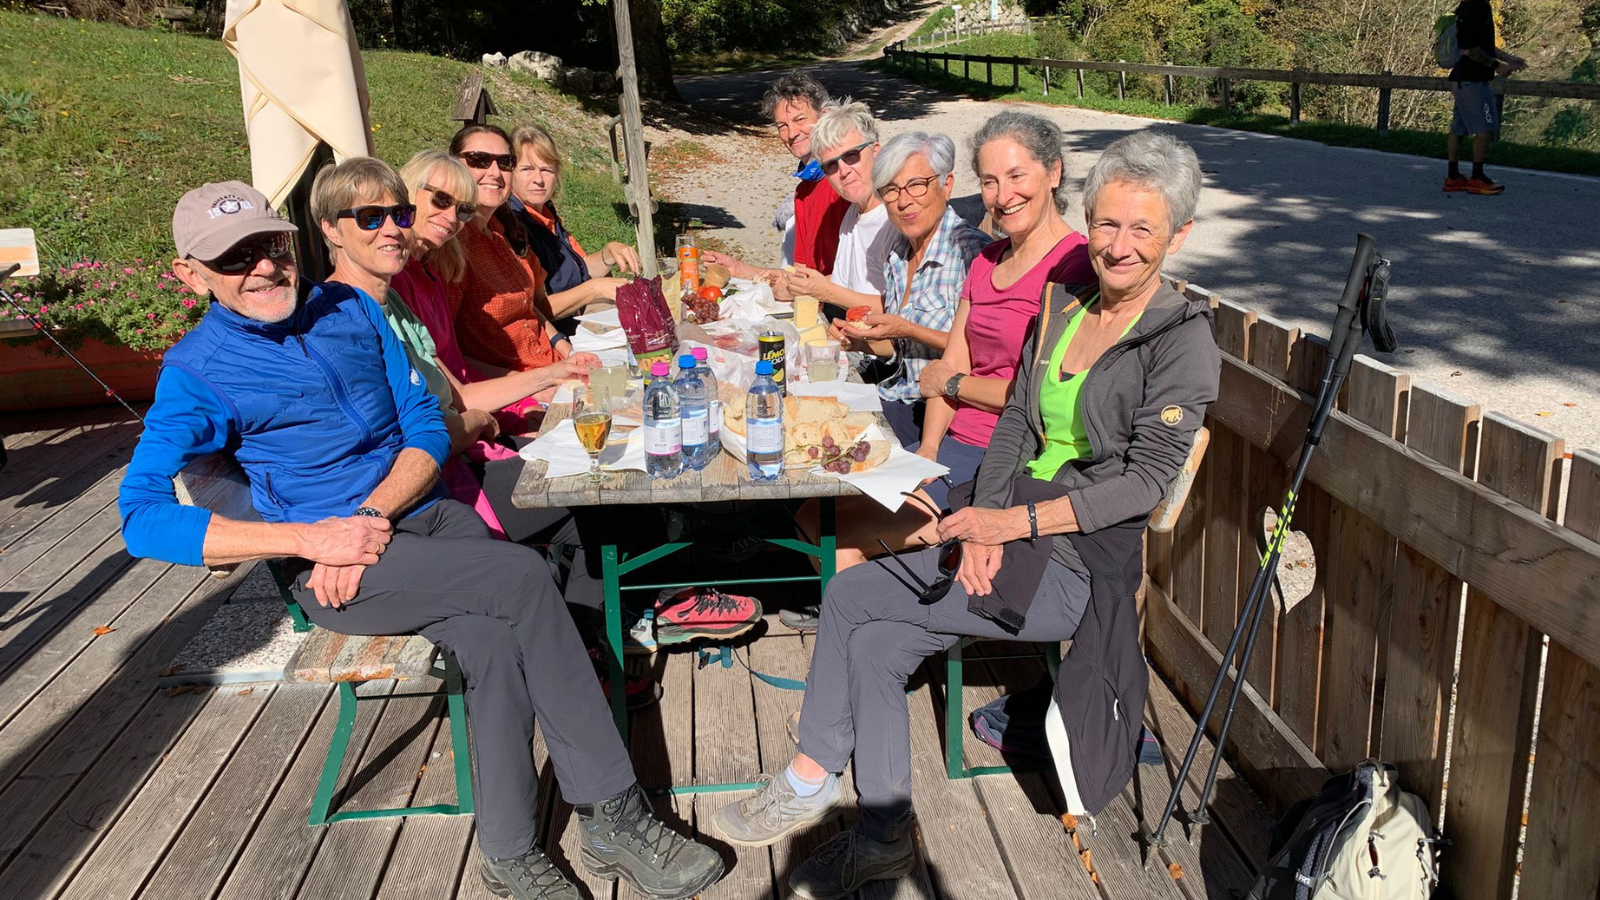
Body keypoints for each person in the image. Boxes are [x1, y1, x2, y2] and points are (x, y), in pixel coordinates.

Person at [119, 180, 725, 900]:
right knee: (523, 579)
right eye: (232, 258)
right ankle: (615, 816)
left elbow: (427, 427)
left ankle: (506, 853)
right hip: (338, 571)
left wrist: (370, 513)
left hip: (420, 516)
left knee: (495, 641)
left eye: (269, 246)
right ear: (191, 274)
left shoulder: (350, 309)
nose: (262, 268)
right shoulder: (197, 371)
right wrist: (309, 540)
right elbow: (143, 517)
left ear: (291, 244)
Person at [710, 131, 1221, 900]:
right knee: (862, 615)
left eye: (1142, 228)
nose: (1117, 246)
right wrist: (984, 511)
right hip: (1007, 518)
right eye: (1107, 224)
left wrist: (1006, 528)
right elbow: (1015, 414)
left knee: (860, 604)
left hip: (1078, 563)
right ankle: (867, 819)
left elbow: (1146, 483)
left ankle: (821, 783)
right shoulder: (1070, 293)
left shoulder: (1183, 343)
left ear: (1177, 235)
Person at [792, 131, 990, 577]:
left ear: (947, 183)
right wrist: (866, 338)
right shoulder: (900, 250)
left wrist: (902, 328)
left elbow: (975, 353)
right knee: (806, 502)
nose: (904, 201)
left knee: (828, 528)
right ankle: (861, 612)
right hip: (901, 404)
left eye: (917, 185)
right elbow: (899, 343)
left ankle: (869, 621)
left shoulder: (972, 253)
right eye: (892, 191)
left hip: (949, 417)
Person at [915, 111, 1094, 504]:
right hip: (952, 444)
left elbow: (1037, 395)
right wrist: (928, 450)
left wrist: (954, 385)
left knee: (846, 534)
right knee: (822, 513)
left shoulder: (1074, 267)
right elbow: (951, 363)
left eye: (1017, 176)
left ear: (1054, 173)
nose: (1002, 196)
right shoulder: (985, 261)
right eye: (989, 182)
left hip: (1009, 458)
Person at [448, 123, 600, 379]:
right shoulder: (452, 247)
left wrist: (569, 352)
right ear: (452, 166)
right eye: (479, 160)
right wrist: (543, 381)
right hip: (520, 388)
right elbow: (453, 356)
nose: (494, 172)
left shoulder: (505, 230)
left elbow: (531, 310)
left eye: (505, 162)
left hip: (552, 365)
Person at [702, 72, 851, 289]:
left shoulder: (845, 181)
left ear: (825, 116)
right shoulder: (804, 190)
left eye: (800, 119)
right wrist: (739, 269)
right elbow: (799, 275)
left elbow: (854, 278)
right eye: (782, 126)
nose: (792, 133)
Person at [508, 123, 639, 333]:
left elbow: (581, 268)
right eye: (527, 169)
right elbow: (539, 307)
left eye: (546, 170)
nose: (538, 180)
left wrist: (609, 253)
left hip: (579, 327)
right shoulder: (513, 224)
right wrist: (594, 289)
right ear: (510, 172)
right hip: (553, 340)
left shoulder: (546, 213)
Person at [785, 100, 903, 315]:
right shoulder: (852, 213)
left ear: (876, 151)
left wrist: (826, 292)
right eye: (831, 165)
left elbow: (899, 306)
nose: (843, 171)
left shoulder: (898, 216)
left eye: (851, 156)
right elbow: (845, 280)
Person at [1445, 0, 1526, 195]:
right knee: (1486, 128)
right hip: (1473, 81)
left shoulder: (1468, 6)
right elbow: (1468, 48)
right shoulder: (1477, 6)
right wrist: (1496, 66)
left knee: (1459, 127)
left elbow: (1484, 45)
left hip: (1462, 79)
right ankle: (1476, 178)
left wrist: (1508, 59)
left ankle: (1453, 178)